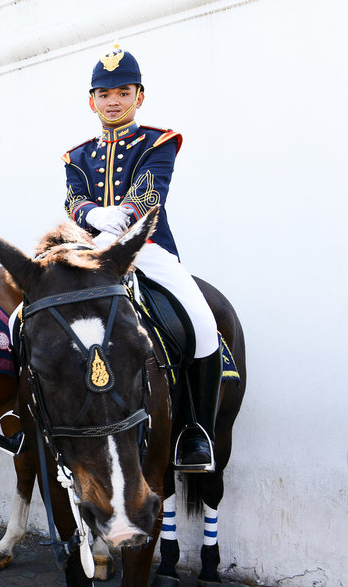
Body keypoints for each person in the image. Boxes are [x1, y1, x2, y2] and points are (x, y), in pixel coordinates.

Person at [63, 44, 222, 470]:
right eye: (104, 93)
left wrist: (123, 218)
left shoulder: (158, 142)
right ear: (90, 99)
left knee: (204, 326)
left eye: (122, 92)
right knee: (27, 314)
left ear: (139, 96)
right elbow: (73, 199)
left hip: (147, 249)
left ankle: (196, 432)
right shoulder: (76, 155)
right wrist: (92, 214)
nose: (112, 101)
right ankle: (29, 417)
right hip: (92, 250)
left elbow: (149, 192)